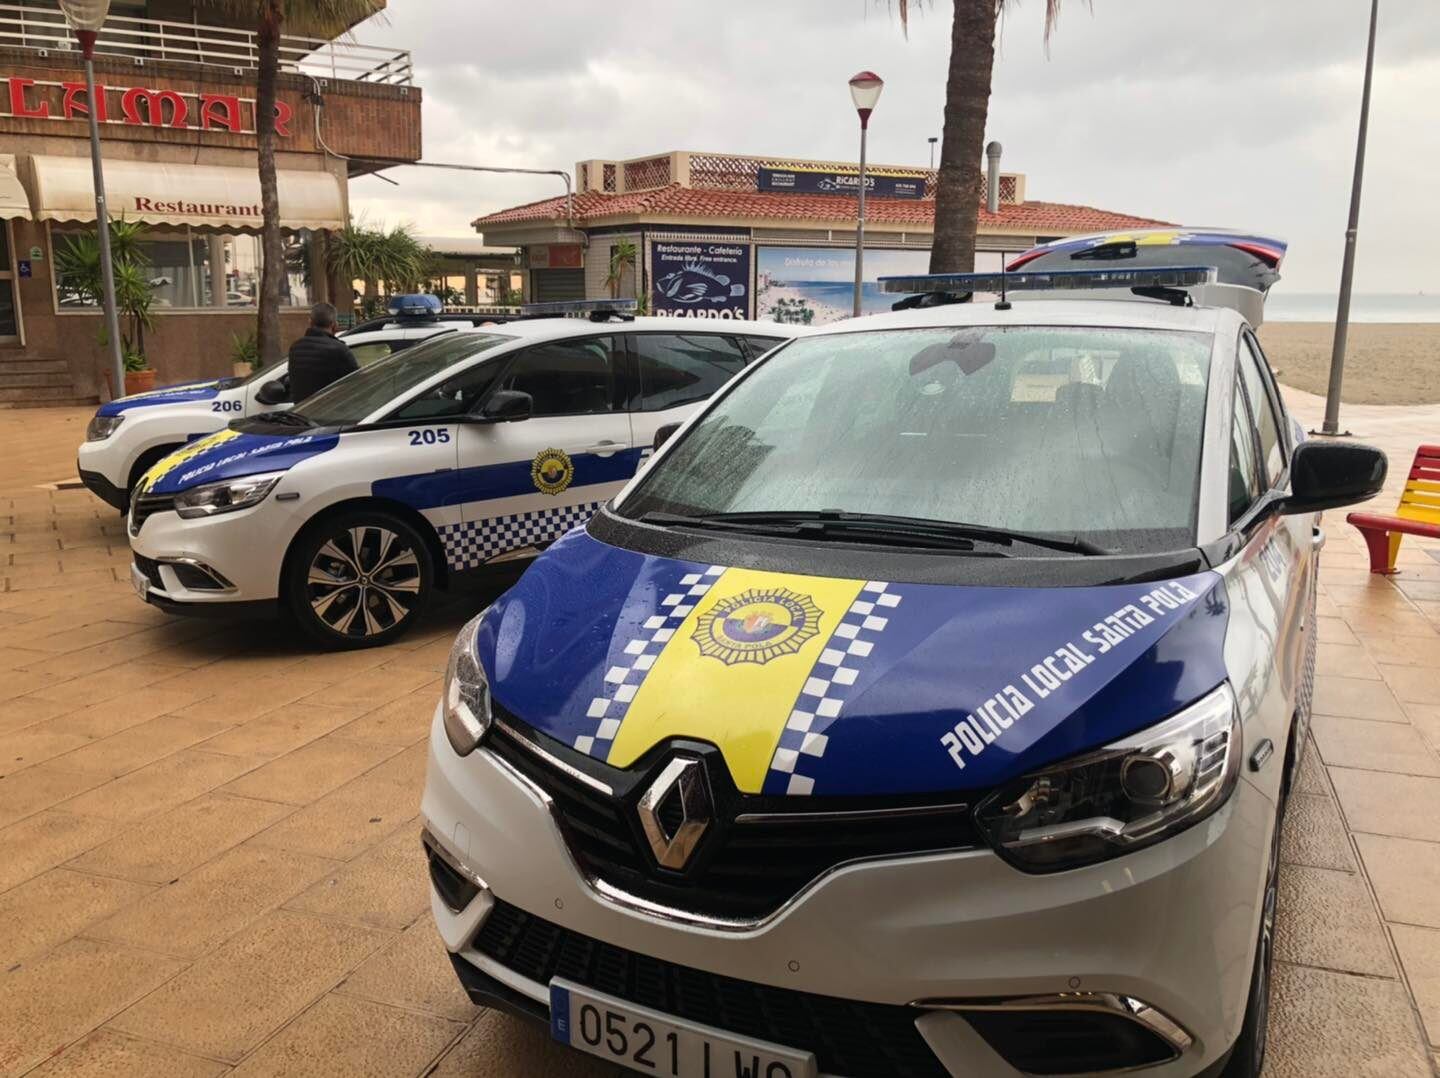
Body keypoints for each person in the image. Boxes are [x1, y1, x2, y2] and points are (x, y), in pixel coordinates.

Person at [286, 302, 357, 402]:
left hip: (300, 413)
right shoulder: (340, 350)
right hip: (331, 414)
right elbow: (358, 383)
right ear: (334, 325)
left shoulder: (295, 348)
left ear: (310, 322)